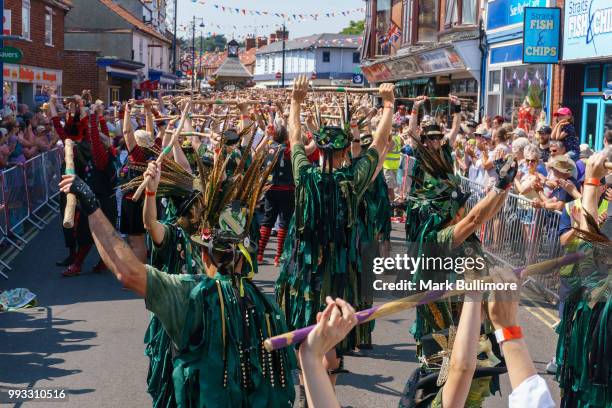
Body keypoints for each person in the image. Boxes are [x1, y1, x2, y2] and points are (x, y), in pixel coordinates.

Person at [58, 137, 297, 407]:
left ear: (205, 253)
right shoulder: (267, 308)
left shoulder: (192, 293)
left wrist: (91, 205)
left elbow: (128, 272)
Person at [276, 76, 393, 393]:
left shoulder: (304, 173)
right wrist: (388, 105)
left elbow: (295, 137)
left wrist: (296, 101)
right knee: (331, 339)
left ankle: (307, 388)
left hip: (304, 270)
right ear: (343, 153)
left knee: (306, 329)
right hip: (339, 274)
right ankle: (326, 391)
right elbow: (379, 145)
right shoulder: (353, 179)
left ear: (321, 151)